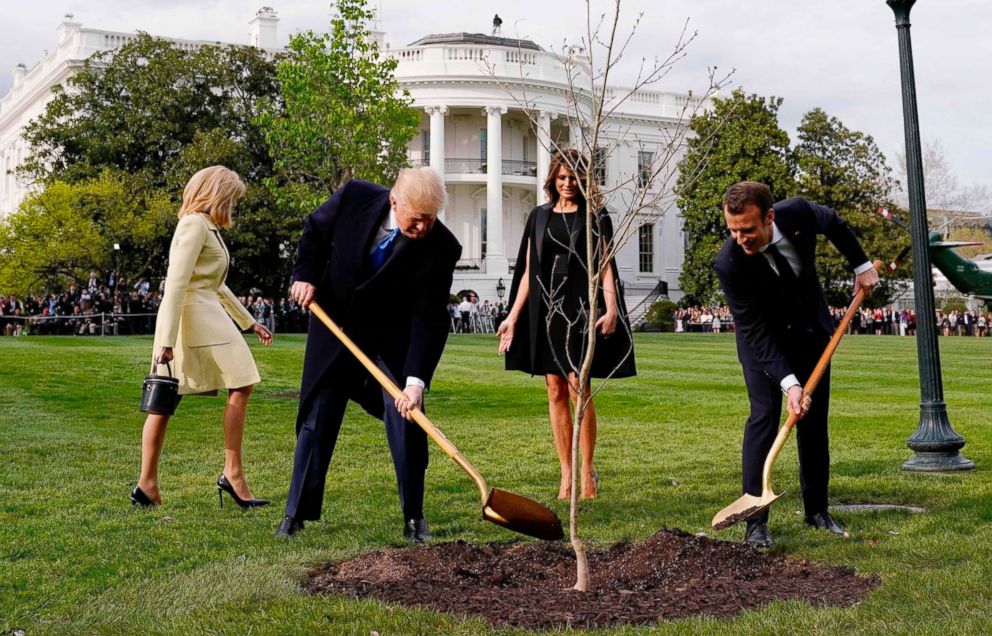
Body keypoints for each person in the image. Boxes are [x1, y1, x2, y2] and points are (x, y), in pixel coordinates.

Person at [275, 167, 461, 543]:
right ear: (395, 202)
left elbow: (429, 318)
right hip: (334, 326)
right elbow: (314, 231)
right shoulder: (355, 197)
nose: (423, 228)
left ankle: (414, 518)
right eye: (416, 219)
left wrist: (414, 382)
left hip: (392, 339)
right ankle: (295, 514)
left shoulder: (442, 248)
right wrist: (304, 275)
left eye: (430, 220)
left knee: (407, 421)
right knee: (317, 417)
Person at [715, 181, 878, 549]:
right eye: (733, 230)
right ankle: (755, 521)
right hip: (764, 345)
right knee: (764, 417)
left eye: (748, 229)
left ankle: (817, 511)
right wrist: (789, 384)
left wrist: (862, 265)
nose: (741, 237)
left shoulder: (799, 213)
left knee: (814, 421)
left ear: (770, 217)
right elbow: (754, 331)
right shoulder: (729, 263)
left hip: (810, 332)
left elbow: (834, 223)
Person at [497, 149, 636, 500]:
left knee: (579, 388)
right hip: (547, 308)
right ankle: (566, 475)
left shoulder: (595, 216)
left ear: (584, 179)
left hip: (581, 307)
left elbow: (605, 264)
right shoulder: (539, 216)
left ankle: (587, 473)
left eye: (574, 178)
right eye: (561, 178)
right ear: (552, 180)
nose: (568, 184)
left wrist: (612, 306)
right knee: (555, 390)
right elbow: (529, 271)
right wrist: (512, 318)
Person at [131, 166, 273, 509]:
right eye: (232, 199)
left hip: (208, 315)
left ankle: (149, 486)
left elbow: (216, 283)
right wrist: (164, 342)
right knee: (169, 398)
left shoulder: (206, 227)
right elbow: (175, 285)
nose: (233, 206)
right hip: (196, 319)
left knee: (172, 400)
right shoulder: (194, 224)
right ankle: (228, 475)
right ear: (218, 193)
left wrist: (249, 321)